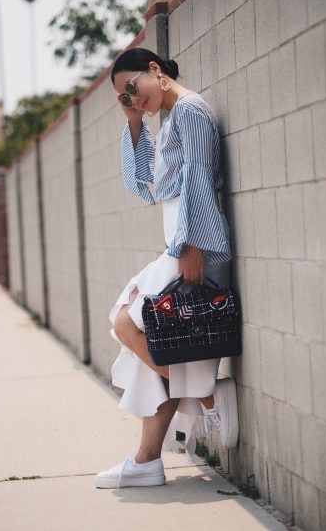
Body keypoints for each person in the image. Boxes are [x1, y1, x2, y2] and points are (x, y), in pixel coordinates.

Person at [95, 48, 239, 489]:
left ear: (155, 70)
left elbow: (198, 173)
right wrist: (134, 124)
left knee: (126, 322)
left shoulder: (191, 110)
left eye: (132, 88)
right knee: (149, 340)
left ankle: (210, 394)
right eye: (124, 97)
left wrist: (191, 244)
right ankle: (146, 461)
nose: (133, 99)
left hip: (195, 243)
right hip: (179, 242)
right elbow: (144, 187)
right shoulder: (168, 119)